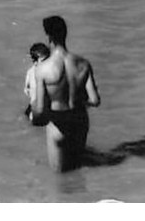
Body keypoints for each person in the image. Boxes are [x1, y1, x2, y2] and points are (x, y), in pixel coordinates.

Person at [27, 15, 101, 172]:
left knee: (61, 179)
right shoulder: (83, 64)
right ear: (65, 33)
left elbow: (40, 114)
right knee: (77, 171)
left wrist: (32, 110)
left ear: (49, 37)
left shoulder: (42, 69)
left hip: (59, 126)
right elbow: (94, 100)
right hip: (80, 123)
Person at [24, 43, 52, 120]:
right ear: (35, 61)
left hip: (34, 108)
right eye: (45, 60)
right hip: (37, 110)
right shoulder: (47, 73)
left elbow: (26, 90)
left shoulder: (29, 72)